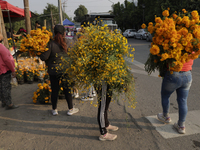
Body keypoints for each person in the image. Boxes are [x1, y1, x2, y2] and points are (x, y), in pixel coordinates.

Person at [39, 24, 79, 116]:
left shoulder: (50, 44)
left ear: (54, 33)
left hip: (53, 71)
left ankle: (54, 110)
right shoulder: (68, 42)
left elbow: (44, 57)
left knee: (55, 90)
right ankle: (70, 109)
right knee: (67, 89)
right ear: (64, 33)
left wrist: (39, 52)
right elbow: (75, 50)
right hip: (65, 70)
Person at [157, 60, 193, 134]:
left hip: (173, 74)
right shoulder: (193, 48)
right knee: (183, 100)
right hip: (187, 75)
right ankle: (181, 126)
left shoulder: (173, 47)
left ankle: (165, 116)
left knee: (165, 95)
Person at [0, 33, 19, 109]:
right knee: (6, 87)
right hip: (4, 70)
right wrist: (13, 70)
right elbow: (7, 60)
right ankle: (9, 104)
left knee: (1, 87)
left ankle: (4, 101)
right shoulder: (1, 47)